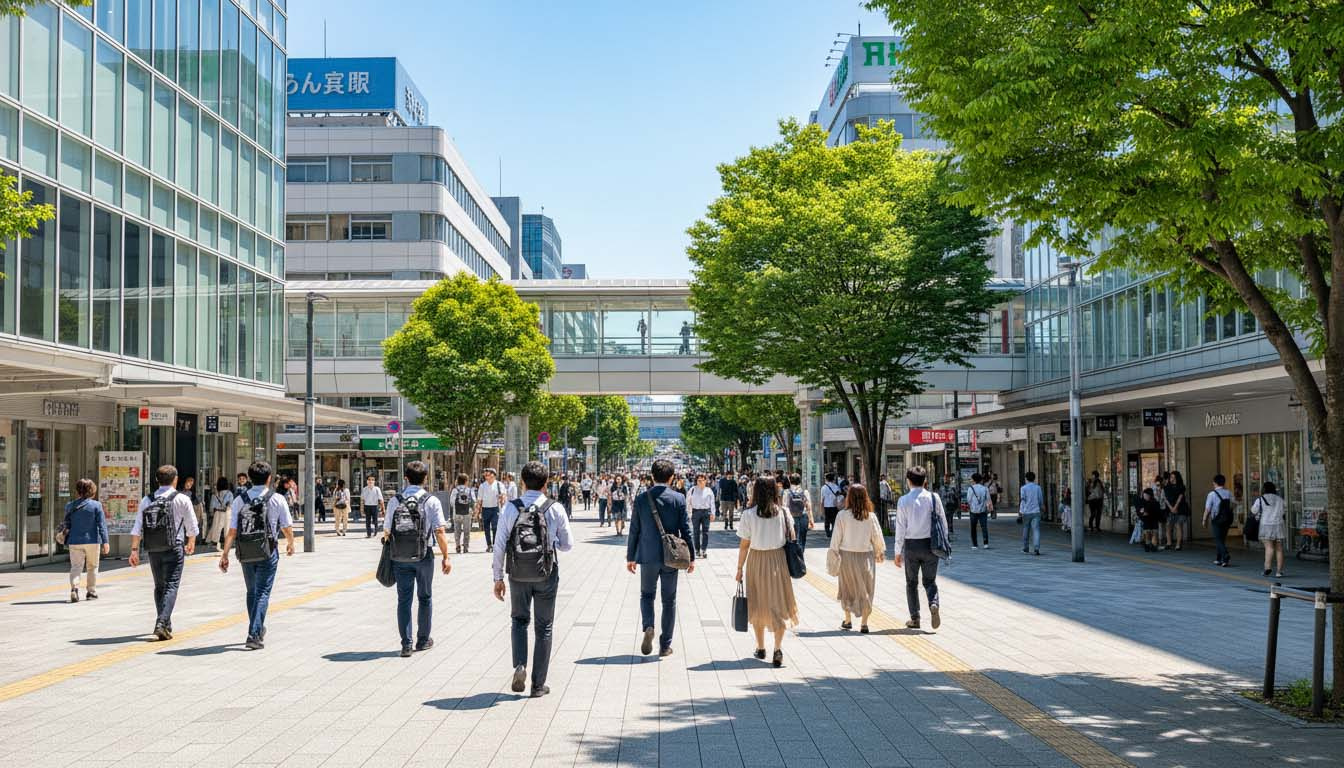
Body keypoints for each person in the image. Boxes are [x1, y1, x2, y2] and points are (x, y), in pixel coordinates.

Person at [493, 460, 574, 698]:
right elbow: (568, 544)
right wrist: (552, 543)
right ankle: (538, 685)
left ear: (522, 482)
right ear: (546, 483)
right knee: (544, 627)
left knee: (519, 620)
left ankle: (520, 665)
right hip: (546, 572)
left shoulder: (510, 508)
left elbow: (499, 545)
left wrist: (497, 577)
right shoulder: (554, 508)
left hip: (517, 572)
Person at [219, 461, 296, 649]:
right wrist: (291, 544)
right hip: (268, 551)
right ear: (269, 478)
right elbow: (286, 527)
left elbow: (232, 531)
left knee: (252, 591)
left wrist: (225, 554)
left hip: (245, 551)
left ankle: (257, 628)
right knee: (262, 593)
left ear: (250, 478)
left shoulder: (239, 500)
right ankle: (254, 634)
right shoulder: (277, 499)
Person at [383, 461, 452, 657]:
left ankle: (406, 644)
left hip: (399, 557)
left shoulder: (395, 500)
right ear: (425, 479)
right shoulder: (431, 501)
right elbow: (439, 531)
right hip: (424, 555)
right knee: (425, 597)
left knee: (403, 600)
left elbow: (387, 530)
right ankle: (423, 641)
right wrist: (446, 556)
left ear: (406, 478)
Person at [627, 459, 695, 658]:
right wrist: (691, 556)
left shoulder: (641, 499)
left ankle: (648, 625)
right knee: (669, 600)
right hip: (671, 557)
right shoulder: (678, 499)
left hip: (647, 555)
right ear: (672, 477)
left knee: (646, 595)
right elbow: (686, 529)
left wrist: (631, 556)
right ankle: (665, 645)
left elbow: (634, 531)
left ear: (651, 476)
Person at [734, 476, 799, 668]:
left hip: (756, 560)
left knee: (757, 603)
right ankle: (777, 649)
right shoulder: (784, 513)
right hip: (778, 560)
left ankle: (761, 647)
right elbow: (792, 537)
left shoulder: (749, 514)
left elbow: (744, 545)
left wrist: (739, 568)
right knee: (778, 604)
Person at [128, 465, 199, 640]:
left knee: (160, 586)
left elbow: (137, 527)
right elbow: (192, 525)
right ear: (175, 479)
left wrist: (134, 550)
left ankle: (165, 623)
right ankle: (161, 623)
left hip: (153, 548)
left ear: (157, 480)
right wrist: (191, 542)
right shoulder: (181, 499)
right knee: (172, 585)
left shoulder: (147, 499)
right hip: (174, 546)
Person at [892, 466, 947, 630]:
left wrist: (897, 551)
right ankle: (933, 603)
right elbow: (943, 522)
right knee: (930, 581)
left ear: (908, 481)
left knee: (911, 583)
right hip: (931, 545)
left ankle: (915, 618)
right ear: (925, 481)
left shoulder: (903, 500)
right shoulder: (934, 498)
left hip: (911, 546)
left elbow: (900, 527)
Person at [829, 484, 885, 632]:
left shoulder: (842, 515)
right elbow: (877, 536)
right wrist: (879, 552)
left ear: (849, 497)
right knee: (867, 589)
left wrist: (833, 554)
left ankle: (848, 620)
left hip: (846, 556)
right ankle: (864, 623)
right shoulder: (870, 516)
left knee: (847, 588)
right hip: (866, 557)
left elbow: (836, 538)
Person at [63, 478, 108, 603]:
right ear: (92, 490)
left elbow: (67, 523)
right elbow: (102, 525)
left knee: (76, 567)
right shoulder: (96, 505)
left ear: (78, 490)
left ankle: (74, 589)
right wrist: (105, 542)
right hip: (93, 540)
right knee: (92, 567)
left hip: (74, 540)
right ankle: (91, 592)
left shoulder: (70, 506)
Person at [1253, 481, 1287, 577]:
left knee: (1269, 547)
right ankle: (1279, 572)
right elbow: (1284, 510)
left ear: (1263, 489)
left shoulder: (1260, 499)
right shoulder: (1280, 499)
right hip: (1278, 525)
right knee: (1279, 548)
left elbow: (1254, 510)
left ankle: (1267, 568)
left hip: (1266, 525)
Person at [1203, 473, 1234, 567]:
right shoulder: (1228, 492)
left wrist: (1204, 519)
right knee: (1222, 539)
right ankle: (1220, 559)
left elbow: (1208, 509)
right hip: (1227, 519)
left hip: (1216, 519)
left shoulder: (1212, 494)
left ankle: (1225, 555)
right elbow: (1234, 503)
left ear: (1215, 483)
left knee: (1218, 539)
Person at [688, 473, 716, 559]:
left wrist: (713, 513)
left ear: (706, 481)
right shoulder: (692, 490)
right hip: (695, 512)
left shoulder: (709, 490)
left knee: (705, 532)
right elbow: (688, 502)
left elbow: (712, 503)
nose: (701, 482)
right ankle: (697, 549)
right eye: (699, 480)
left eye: (703, 480)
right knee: (696, 532)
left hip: (706, 513)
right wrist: (689, 514)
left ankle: (704, 550)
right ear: (696, 481)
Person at [783, 474, 814, 550]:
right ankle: (801, 555)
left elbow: (785, 507)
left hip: (792, 518)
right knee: (802, 539)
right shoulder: (805, 492)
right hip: (803, 517)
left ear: (790, 481)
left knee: (793, 538)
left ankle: (795, 557)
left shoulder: (787, 492)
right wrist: (811, 520)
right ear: (800, 481)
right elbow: (808, 507)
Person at [477, 468, 505, 551]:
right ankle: (489, 545)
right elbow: (479, 499)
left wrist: (502, 498)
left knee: (495, 527)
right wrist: (477, 511)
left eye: (488, 475)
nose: (486, 477)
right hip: (485, 509)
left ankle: (495, 544)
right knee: (486, 527)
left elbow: (504, 496)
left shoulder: (499, 485)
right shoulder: (482, 486)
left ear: (493, 475)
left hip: (495, 509)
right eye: (485, 475)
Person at [1018, 471, 1044, 555]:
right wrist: (1041, 507)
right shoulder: (1038, 488)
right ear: (1034, 478)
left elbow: (1023, 500)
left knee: (1026, 529)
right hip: (1036, 511)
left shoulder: (1023, 488)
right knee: (1036, 530)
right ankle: (1036, 548)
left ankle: (1026, 548)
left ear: (1026, 479)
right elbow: (1040, 500)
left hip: (1026, 512)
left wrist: (1020, 511)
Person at [448, 473, 475, 554]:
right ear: (466, 481)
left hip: (457, 513)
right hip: (467, 513)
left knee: (457, 530)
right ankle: (466, 547)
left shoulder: (455, 490)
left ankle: (458, 546)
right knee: (467, 531)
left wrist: (457, 507)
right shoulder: (469, 490)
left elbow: (451, 502)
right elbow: (473, 500)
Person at [1164, 471, 1189, 551]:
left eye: (1173, 477)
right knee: (1168, 525)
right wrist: (1171, 508)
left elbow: (1180, 498)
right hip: (1169, 508)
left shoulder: (1181, 486)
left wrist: (1175, 507)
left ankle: (1178, 544)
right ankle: (1169, 543)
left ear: (1177, 478)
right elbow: (1165, 499)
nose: (1172, 479)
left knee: (1178, 525)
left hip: (1180, 508)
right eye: (1171, 477)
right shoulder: (1167, 487)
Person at [966, 473, 992, 549]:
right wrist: (988, 508)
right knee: (984, 527)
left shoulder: (970, 488)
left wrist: (971, 506)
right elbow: (988, 499)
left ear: (973, 480)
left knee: (973, 528)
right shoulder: (985, 488)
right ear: (980, 480)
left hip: (973, 511)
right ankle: (985, 543)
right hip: (983, 510)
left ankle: (974, 544)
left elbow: (968, 499)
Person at [207, 478, 233, 550]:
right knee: (227, 528)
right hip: (227, 512)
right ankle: (227, 545)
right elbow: (231, 504)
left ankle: (216, 544)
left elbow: (212, 506)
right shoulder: (229, 493)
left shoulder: (215, 494)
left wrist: (211, 513)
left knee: (216, 528)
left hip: (218, 512)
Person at [1137, 488, 1163, 552]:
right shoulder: (1142, 502)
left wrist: (1145, 512)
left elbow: (1157, 512)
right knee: (1147, 532)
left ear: (1150, 495)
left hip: (1154, 519)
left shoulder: (1155, 502)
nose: (1144, 496)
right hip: (1146, 520)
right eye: (1144, 495)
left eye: (1146, 495)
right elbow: (1139, 511)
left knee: (1154, 532)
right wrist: (1143, 513)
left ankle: (1154, 545)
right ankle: (1147, 544)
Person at [182, 476, 204, 548]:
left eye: (191, 483)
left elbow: (197, 501)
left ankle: (196, 540)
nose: (189, 485)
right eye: (188, 482)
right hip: (185, 510)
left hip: (194, 509)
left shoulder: (194, 491)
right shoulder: (181, 492)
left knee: (194, 524)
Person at [821, 473, 845, 538]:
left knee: (827, 520)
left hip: (826, 507)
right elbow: (839, 497)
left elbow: (822, 500)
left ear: (827, 479)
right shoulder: (836, 487)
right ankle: (832, 532)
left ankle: (828, 533)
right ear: (833, 479)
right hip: (835, 507)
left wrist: (822, 508)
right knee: (834, 520)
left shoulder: (823, 488)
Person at [937, 472, 960, 541]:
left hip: (950, 506)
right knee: (945, 521)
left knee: (949, 520)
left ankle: (948, 535)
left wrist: (956, 506)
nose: (946, 480)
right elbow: (939, 497)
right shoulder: (941, 488)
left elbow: (956, 497)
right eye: (945, 478)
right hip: (943, 506)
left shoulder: (952, 488)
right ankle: (946, 536)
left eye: (947, 478)